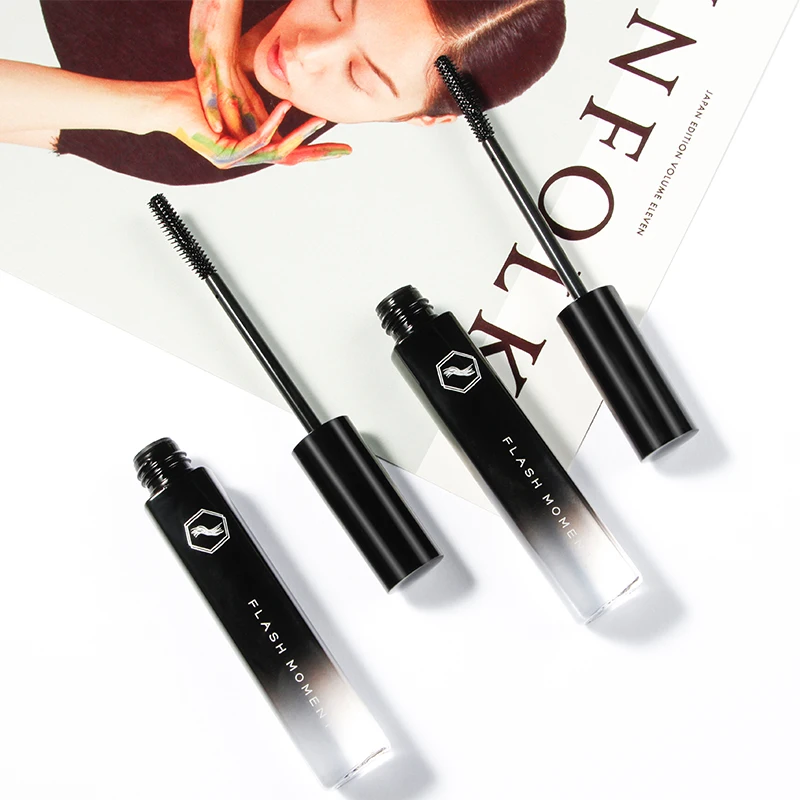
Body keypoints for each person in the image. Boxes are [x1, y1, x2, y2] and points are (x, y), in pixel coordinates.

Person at [0, 0, 566, 185]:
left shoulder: (209, 138)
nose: (305, 53)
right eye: (339, 5)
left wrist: (156, 106)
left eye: (359, 76)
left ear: (423, 117)